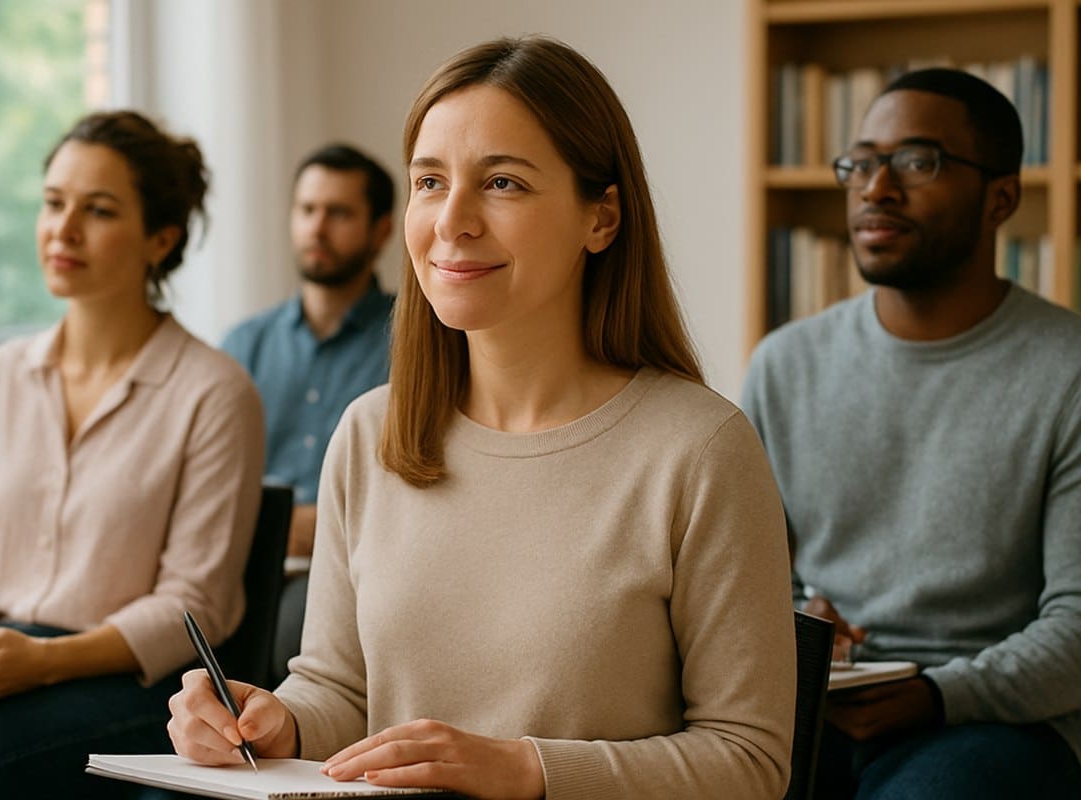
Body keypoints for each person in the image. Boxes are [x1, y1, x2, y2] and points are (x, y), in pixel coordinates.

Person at [167, 36, 796, 800]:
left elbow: (751, 763)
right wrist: (275, 723)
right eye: (430, 182)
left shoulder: (699, 450)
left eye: (502, 182)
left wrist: (526, 769)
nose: (452, 222)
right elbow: (340, 692)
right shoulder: (371, 435)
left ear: (601, 218)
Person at [0, 110, 265, 799]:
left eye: (99, 210)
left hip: (126, 686)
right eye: (54, 203)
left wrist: (46, 661)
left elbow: (194, 606)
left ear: (160, 239)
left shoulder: (214, 391)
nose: (63, 228)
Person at [741, 68, 1081, 799]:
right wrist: (797, 616)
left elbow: (1079, 629)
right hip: (816, 706)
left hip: (994, 725)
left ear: (1002, 198)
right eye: (861, 162)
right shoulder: (784, 364)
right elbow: (743, 584)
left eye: (917, 162)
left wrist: (936, 695)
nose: (876, 188)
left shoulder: (1069, 371)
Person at [220, 144, 395, 681]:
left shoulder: (416, 341)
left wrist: (312, 530)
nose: (317, 228)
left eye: (339, 213)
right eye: (307, 210)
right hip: (241, 562)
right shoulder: (244, 344)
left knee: (286, 642)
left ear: (382, 229)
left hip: (352, 567)